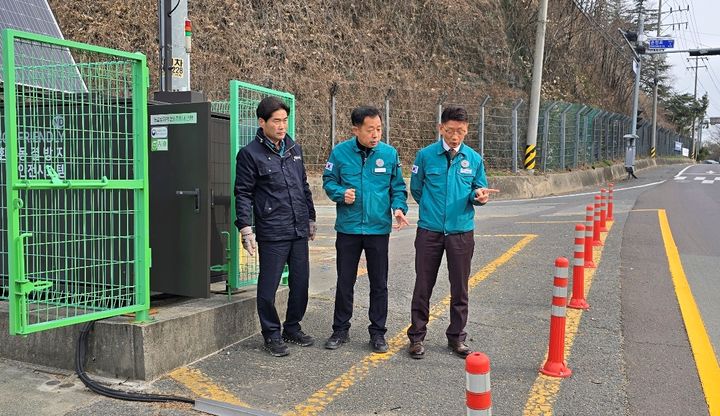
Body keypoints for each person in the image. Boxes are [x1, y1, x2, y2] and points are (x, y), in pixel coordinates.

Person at [406, 106, 499, 359]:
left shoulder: (474, 159)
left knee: (460, 287)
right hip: (429, 231)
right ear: (440, 129)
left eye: (460, 131)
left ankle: (457, 338)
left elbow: (479, 190)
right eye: (450, 131)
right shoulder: (425, 156)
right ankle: (416, 337)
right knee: (423, 285)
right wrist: (431, 210)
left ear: (467, 131)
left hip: (461, 233)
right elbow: (417, 189)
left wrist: (478, 197)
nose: (455, 136)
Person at [322, 106, 409, 353]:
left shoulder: (389, 154)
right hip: (348, 229)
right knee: (345, 281)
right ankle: (340, 329)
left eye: (379, 129)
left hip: (378, 230)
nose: (375, 134)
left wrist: (399, 208)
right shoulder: (339, 153)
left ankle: (378, 333)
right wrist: (340, 194)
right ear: (356, 130)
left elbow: (398, 188)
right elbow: (328, 182)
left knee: (379, 283)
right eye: (370, 129)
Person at [234, 96, 317, 357]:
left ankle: (292, 327)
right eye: (276, 121)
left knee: (301, 283)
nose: (282, 126)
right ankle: (271, 334)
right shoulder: (250, 154)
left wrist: (311, 217)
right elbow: (243, 193)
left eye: (285, 120)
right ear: (262, 122)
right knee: (268, 287)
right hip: (272, 230)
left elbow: (303, 186)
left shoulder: (294, 149)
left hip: (297, 228)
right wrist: (245, 227)